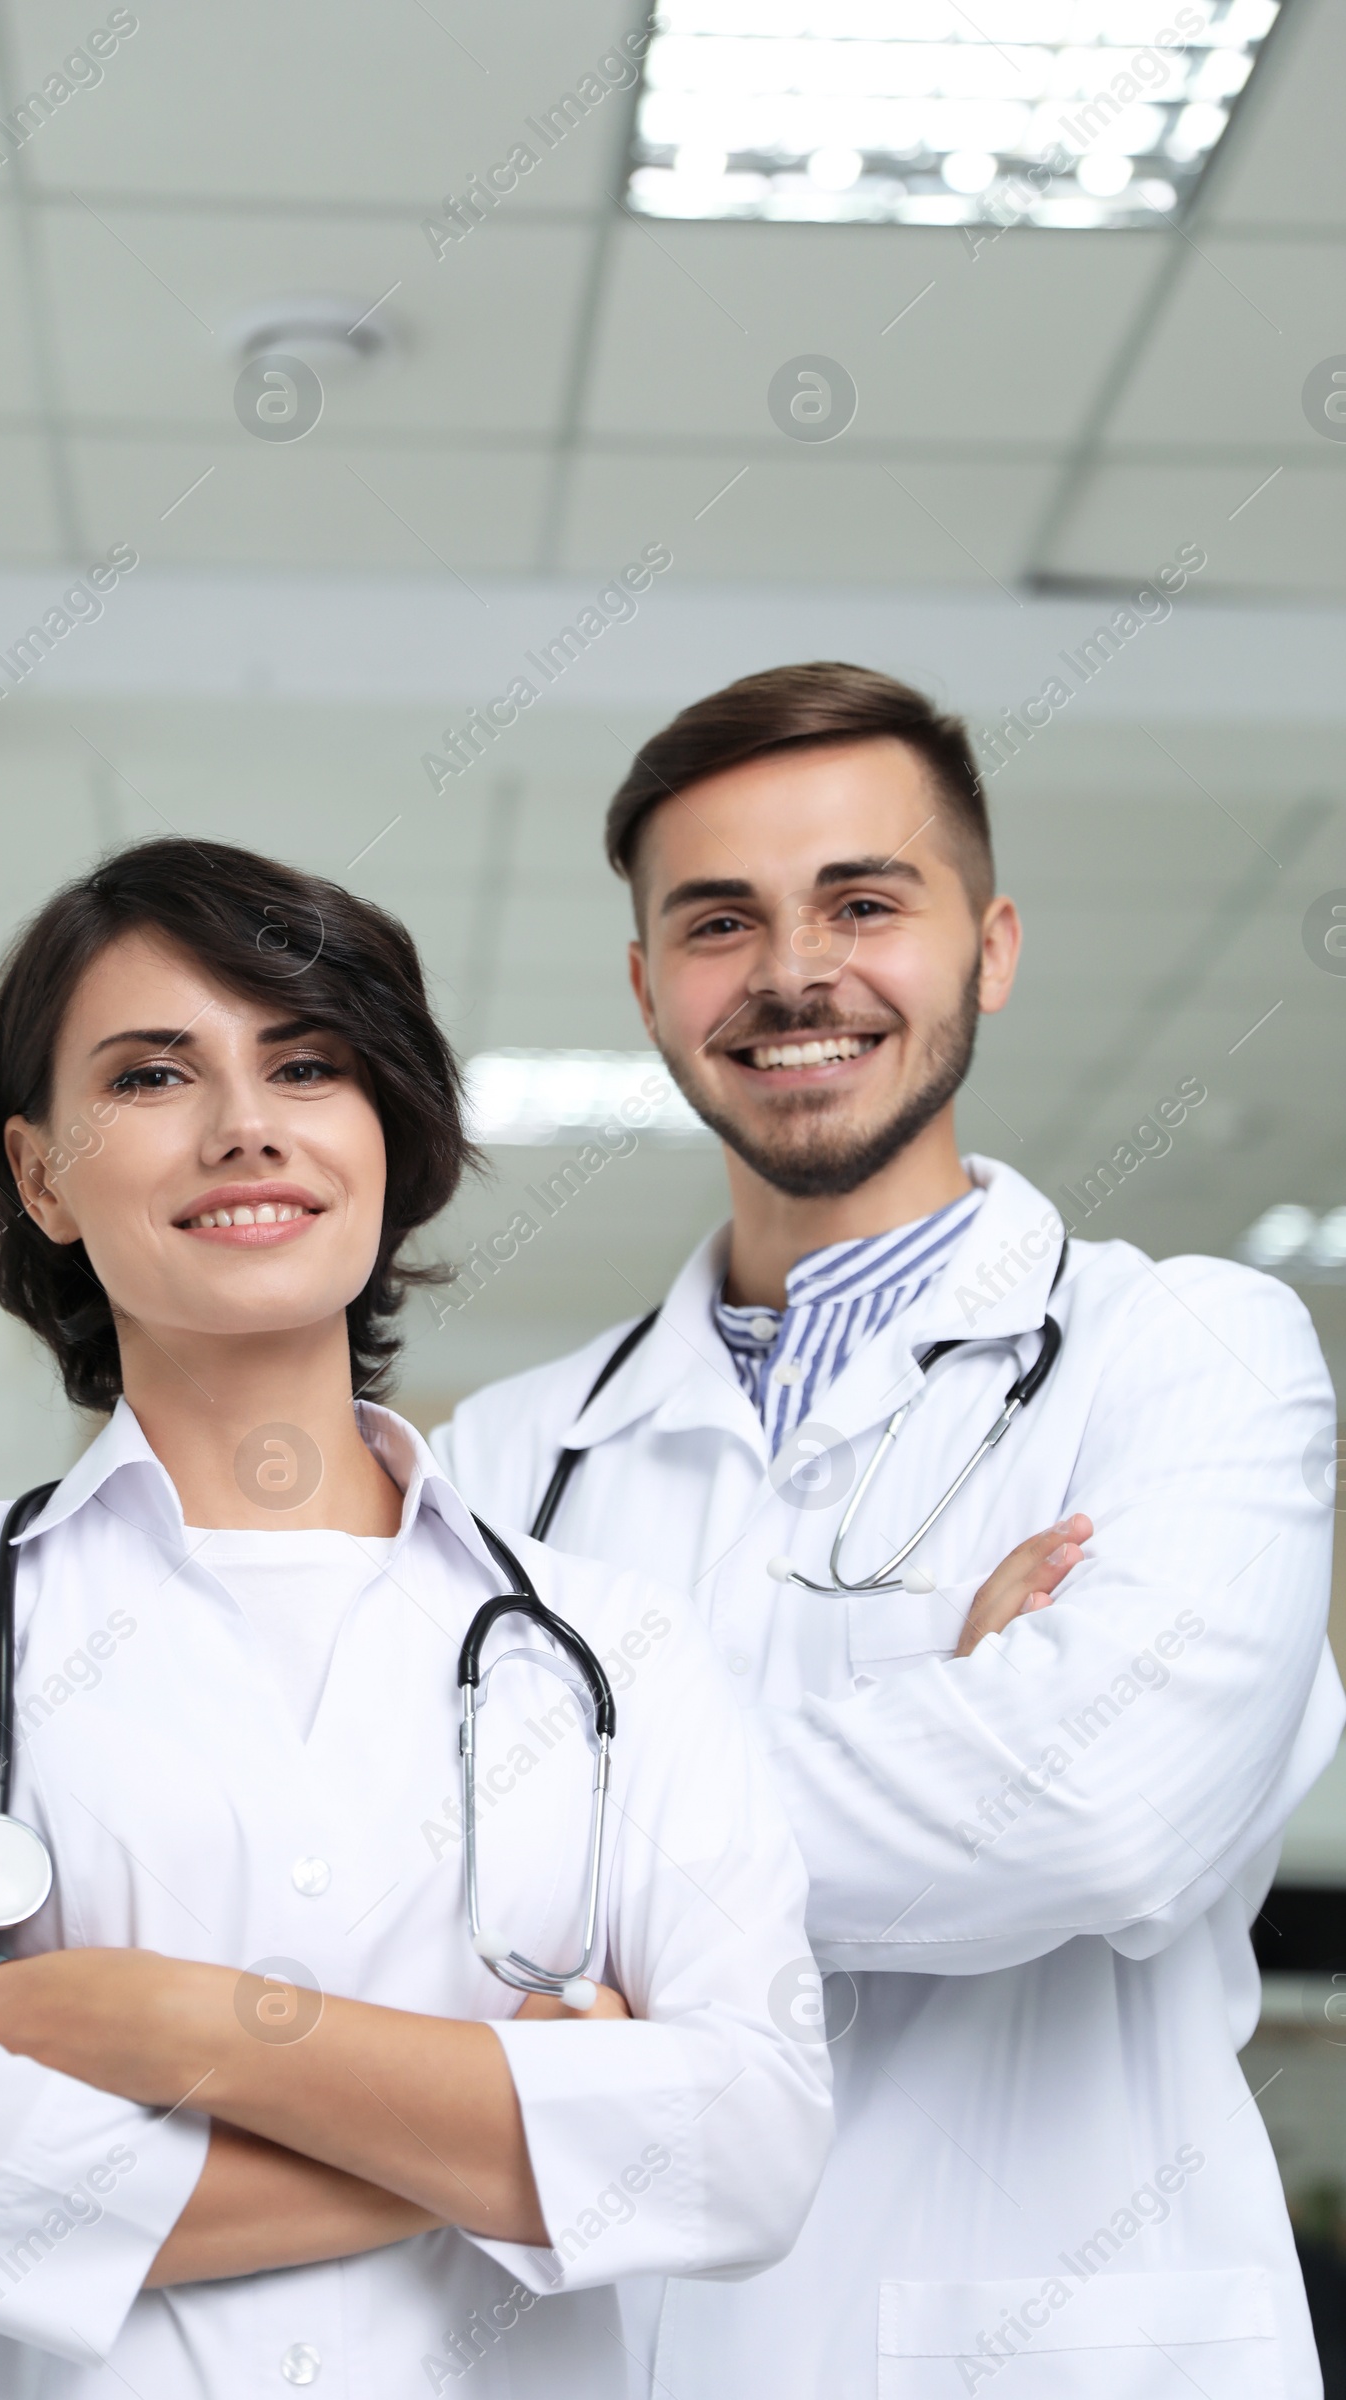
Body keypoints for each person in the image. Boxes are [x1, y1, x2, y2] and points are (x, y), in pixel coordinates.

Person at [0, 839, 832, 2400]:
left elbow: (748, 2151)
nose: (244, 1128)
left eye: (307, 1064)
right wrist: (530, 2120)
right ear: (42, 1172)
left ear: (385, 1132)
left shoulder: (620, 1650)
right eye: (150, 1077)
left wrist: (186, 2027)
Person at [437, 663, 1343, 2399]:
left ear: (989, 946)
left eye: (865, 901)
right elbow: (406, 1901)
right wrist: (949, 1717)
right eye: (721, 921)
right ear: (647, 987)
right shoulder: (511, 1457)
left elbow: (1097, 1818)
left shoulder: (1193, 1356)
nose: (793, 971)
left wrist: (567, 1824)